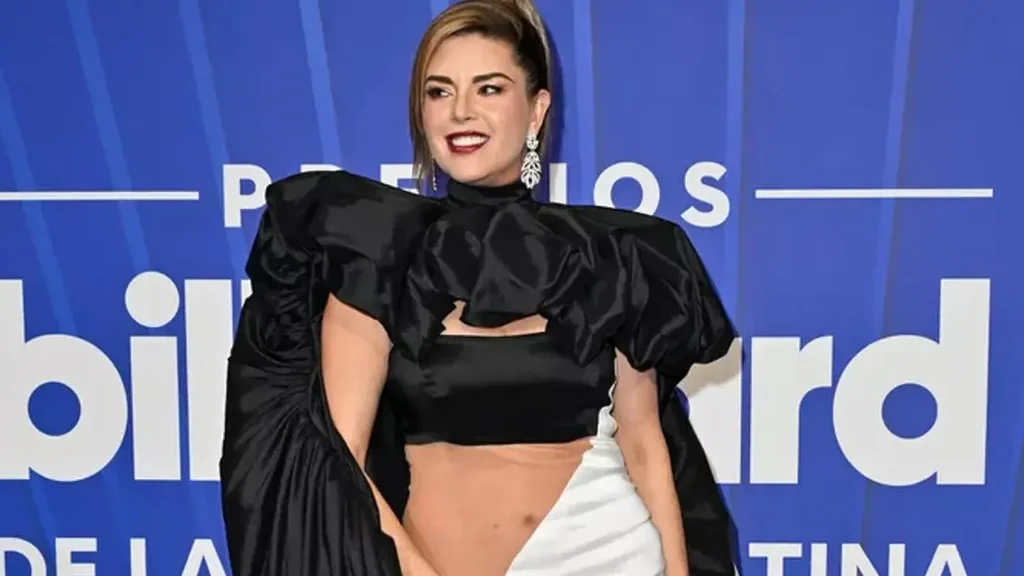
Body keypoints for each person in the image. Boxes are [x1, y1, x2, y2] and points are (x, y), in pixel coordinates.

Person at [219, 0, 739, 574]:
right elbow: (345, 461)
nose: (461, 111)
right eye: (438, 92)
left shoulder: (608, 258)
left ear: (537, 109)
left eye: (489, 89)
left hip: (609, 553)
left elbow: (643, 442)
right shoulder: (377, 254)